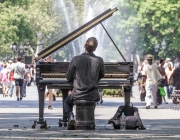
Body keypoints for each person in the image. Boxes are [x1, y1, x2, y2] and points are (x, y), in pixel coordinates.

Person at [64, 37, 105, 130]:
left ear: (84, 46)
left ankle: (70, 117)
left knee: (66, 102)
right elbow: (102, 74)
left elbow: (68, 77)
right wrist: (94, 79)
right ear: (95, 48)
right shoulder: (99, 60)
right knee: (92, 98)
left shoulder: (76, 59)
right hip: (93, 94)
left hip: (77, 93)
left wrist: (75, 77)